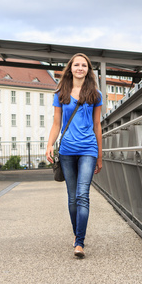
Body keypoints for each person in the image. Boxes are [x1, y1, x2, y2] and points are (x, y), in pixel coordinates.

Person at [45, 53, 103, 258]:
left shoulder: (96, 94)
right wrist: (50, 144)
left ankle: (80, 243)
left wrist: (100, 156)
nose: (80, 68)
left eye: (84, 65)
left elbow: (97, 126)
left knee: (82, 196)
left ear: (88, 69)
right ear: (70, 68)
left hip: (88, 148)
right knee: (72, 199)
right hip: (67, 150)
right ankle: (76, 233)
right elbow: (56, 123)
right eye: (76, 65)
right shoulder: (61, 93)